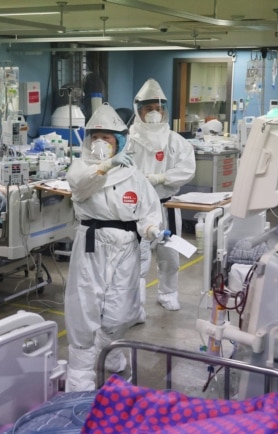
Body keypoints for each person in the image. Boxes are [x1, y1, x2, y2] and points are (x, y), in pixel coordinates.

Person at [65, 103, 165, 392]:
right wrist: (104, 166)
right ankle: (80, 376)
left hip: (126, 247)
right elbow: (80, 186)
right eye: (95, 136)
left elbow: (148, 209)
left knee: (121, 307)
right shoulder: (81, 167)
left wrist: (153, 228)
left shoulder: (134, 175)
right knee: (85, 306)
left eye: (106, 137)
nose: (99, 142)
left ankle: (110, 350)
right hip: (92, 244)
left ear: (119, 141)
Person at [127, 78, 196, 312]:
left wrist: (161, 178)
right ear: (139, 111)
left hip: (167, 205)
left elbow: (187, 169)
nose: (154, 113)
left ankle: (168, 293)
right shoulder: (128, 141)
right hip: (136, 208)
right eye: (149, 109)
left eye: (158, 109)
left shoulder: (174, 140)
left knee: (169, 253)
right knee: (137, 256)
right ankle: (135, 304)